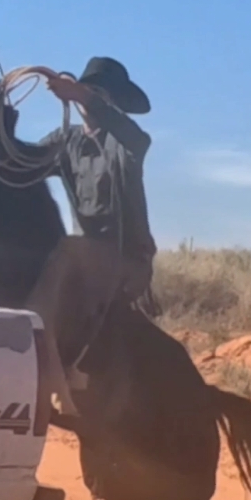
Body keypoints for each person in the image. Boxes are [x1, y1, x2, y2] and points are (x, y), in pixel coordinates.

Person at [24, 56, 157, 416]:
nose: (91, 99)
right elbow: (23, 162)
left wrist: (81, 94)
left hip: (128, 262)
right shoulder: (65, 141)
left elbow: (134, 135)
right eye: (89, 90)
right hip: (84, 264)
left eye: (100, 94)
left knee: (68, 249)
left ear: (111, 102)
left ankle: (46, 359)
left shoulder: (128, 143)